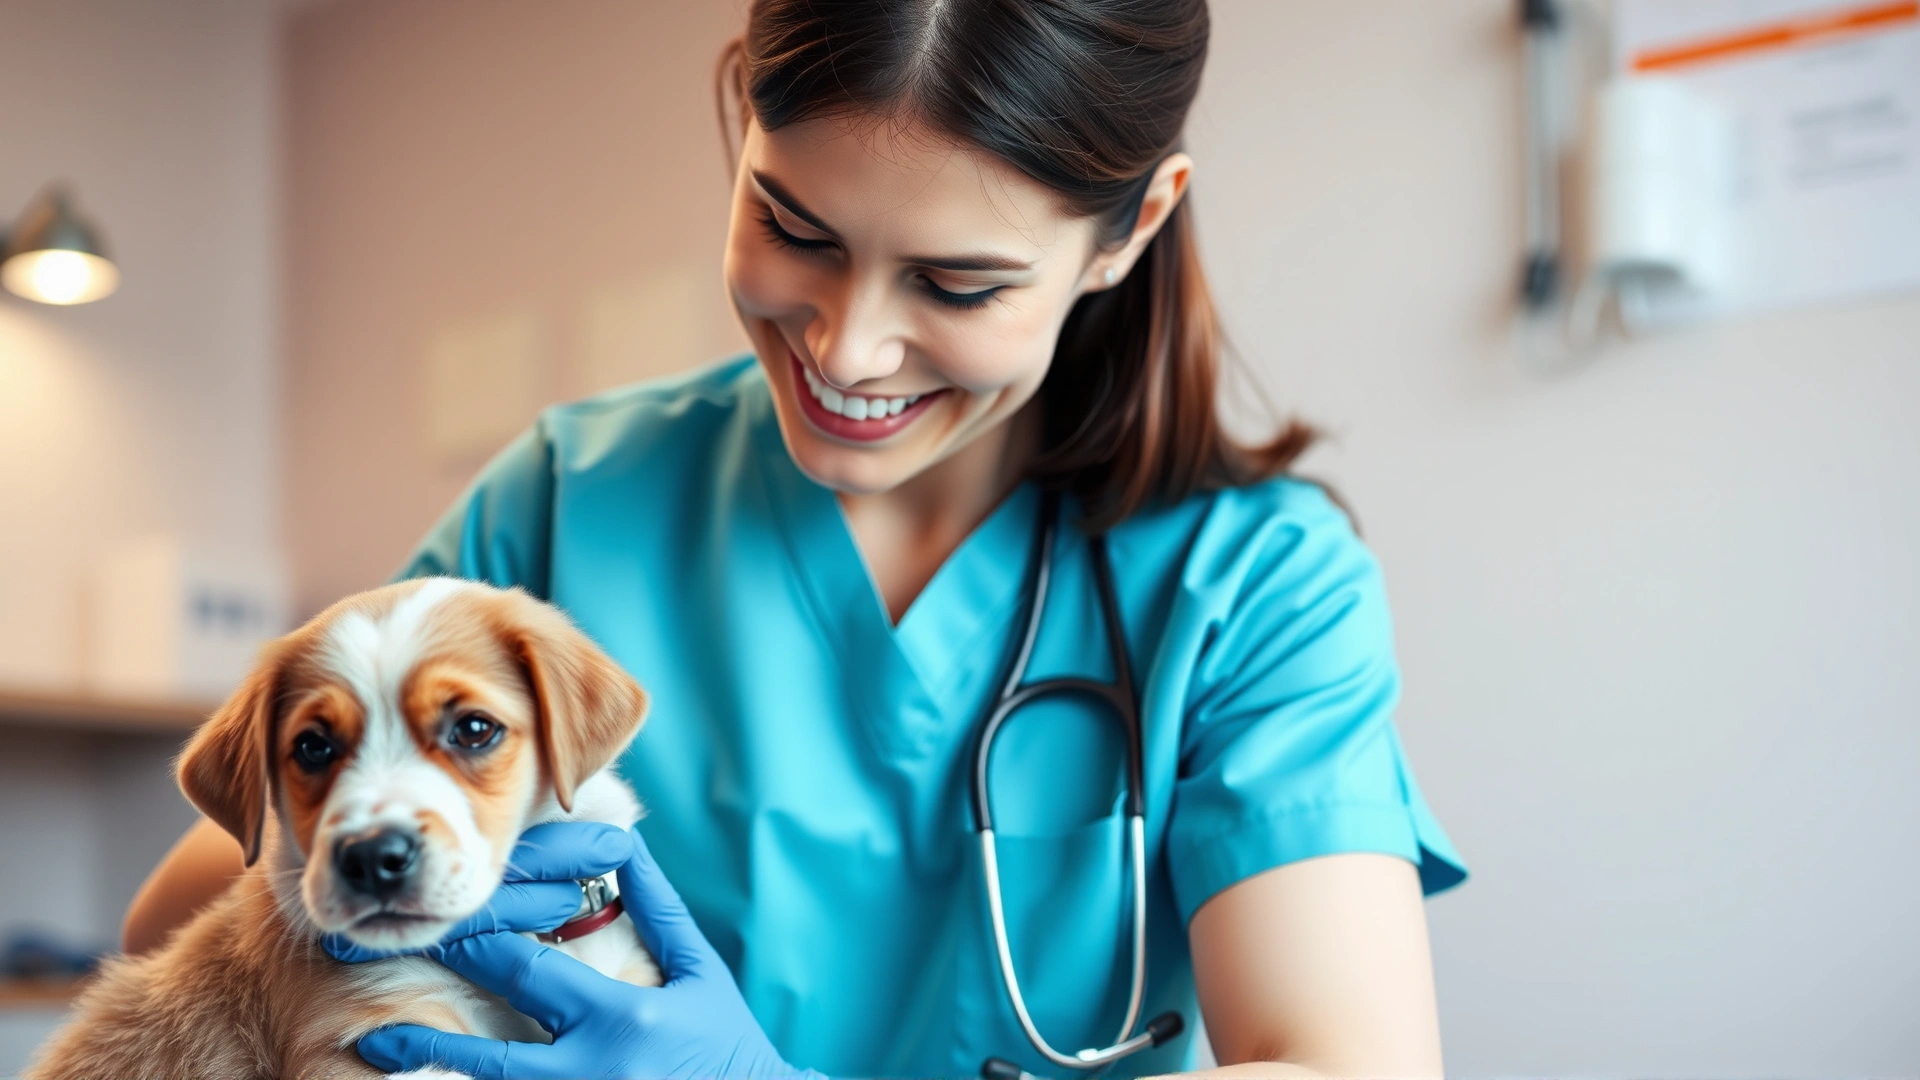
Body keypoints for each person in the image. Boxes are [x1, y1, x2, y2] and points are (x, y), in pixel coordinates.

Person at [123, 1, 1469, 1076]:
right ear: (742, 123)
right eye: (794, 226)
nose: (848, 346)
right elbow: (188, 924)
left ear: (1134, 228)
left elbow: (1344, 1063)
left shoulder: (1251, 583)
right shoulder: (572, 497)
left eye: (958, 282)